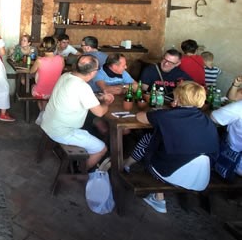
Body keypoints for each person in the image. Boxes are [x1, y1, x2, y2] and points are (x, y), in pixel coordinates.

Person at [126, 82, 219, 214]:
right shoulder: (206, 119)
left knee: (150, 138)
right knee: (167, 146)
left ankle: (128, 167)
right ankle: (156, 195)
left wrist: (156, 111)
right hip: (202, 177)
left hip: (171, 173)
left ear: (178, 99)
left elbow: (140, 117)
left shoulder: (166, 115)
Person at [40, 55, 113, 170]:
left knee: (90, 125)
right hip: (63, 132)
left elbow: (76, 96)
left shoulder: (66, 76)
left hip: (49, 122)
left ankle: (81, 162)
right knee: (101, 148)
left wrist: (98, 97)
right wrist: (107, 103)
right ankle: (80, 172)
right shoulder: (83, 87)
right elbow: (100, 112)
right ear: (93, 72)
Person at [211, 76, 242, 177]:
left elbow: (214, 117)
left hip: (236, 161)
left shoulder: (239, 107)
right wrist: (236, 85)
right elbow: (232, 98)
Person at [30, 36, 64, 119]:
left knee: (33, 87)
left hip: (41, 93)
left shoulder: (39, 61)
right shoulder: (61, 59)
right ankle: (45, 113)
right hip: (55, 92)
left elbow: (31, 71)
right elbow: (60, 70)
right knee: (46, 93)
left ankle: (42, 112)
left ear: (43, 45)